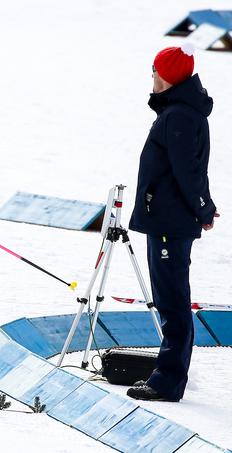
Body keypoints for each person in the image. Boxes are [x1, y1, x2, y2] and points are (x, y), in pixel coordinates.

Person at [127, 43, 219, 402]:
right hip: (166, 219)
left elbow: (188, 171)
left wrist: (202, 208)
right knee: (170, 300)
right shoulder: (178, 112)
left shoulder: (179, 116)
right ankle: (167, 375)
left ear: (164, 76)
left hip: (170, 222)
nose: (150, 77)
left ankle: (168, 381)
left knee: (173, 302)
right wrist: (203, 207)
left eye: (154, 71)